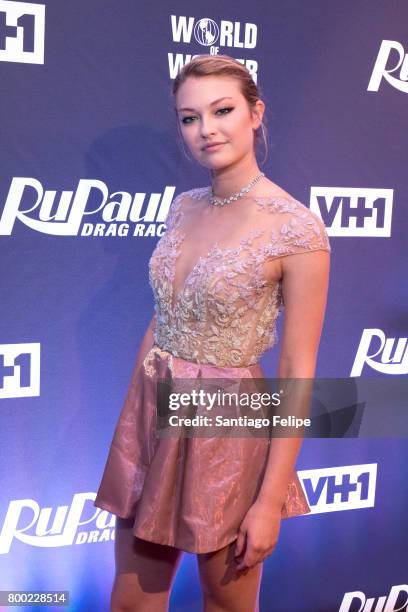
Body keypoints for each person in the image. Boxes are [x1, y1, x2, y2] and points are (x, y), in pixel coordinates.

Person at [94, 54, 331, 612]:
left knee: (225, 604)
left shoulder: (295, 227)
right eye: (189, 118)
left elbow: (298, 371)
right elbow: (162, 318)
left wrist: (269, 500)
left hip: (229, 427)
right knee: (129, 603)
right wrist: (132, 432)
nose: (206, 130)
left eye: (222, 110)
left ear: (256, 113)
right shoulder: (184, 207)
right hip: (154, 417)